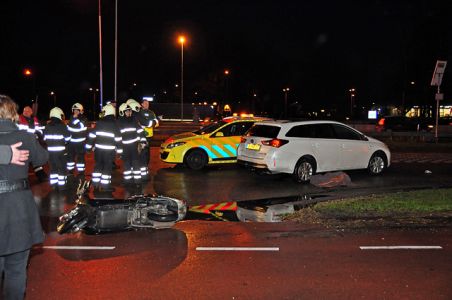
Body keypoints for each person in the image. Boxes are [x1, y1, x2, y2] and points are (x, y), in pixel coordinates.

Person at [0, 94, 48, 300]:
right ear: (14, 114)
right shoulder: (24, 136)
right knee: (17, 270)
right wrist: (33, 138)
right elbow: (43, 158)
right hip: (18, 211)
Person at [86, 104, 122, 191]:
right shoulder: (115, 124)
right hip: (109, 151)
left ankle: (95, 184)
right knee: (107, 167)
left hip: (98, 150)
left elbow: (91, 135)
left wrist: (88, 148)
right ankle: (105, 186)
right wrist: (120, 152)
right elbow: (118, 139)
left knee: (98, 165)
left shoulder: (99, 123)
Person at [118, 103, 146, 186]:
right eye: (127, 111)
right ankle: (128, 181)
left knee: (136, 164)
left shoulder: (133, 120)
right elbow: (117, 137)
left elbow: (140, 131)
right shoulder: (119, 122)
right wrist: (119, 150)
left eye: (130, 111)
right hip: (125, 148)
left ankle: (138, 182)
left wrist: (143, 141)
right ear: (122, 112)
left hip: (134, 147)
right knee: (127, 165)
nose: (129, 113)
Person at [18, 106, 47, 182]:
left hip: (34, 142)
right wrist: (34, 132)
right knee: (24, 160)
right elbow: (20, 130)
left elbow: (39, 129)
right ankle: (23, 178)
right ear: (23, 111)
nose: (27, 112)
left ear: (31, 112)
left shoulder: (34, 119)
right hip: (24, 142)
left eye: (29, 111)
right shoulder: (19, 118)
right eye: (25, 111)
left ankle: (40, 174)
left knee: (36, 158)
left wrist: (39, 135)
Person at [43, 107, 70, 190]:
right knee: (61, 168)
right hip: (61, 152)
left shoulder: (47, 126)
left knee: (53, 168)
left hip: (50, 152)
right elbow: (68, 138)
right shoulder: (62, 126)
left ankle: (54, 185)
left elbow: (44, 139)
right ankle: (62, 186)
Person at [66, 103, 88, 178]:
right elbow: (68, 129)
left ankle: (81, 173)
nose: (75, 112)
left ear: (81, 111)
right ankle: (70, 172)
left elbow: (79, 127)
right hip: (71, 143)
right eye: (74, 110)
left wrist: (74, 120)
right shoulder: (71, 118)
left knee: (80, 158)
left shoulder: (84, 119)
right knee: (70, 158)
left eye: (77, 110)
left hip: (80, 143)